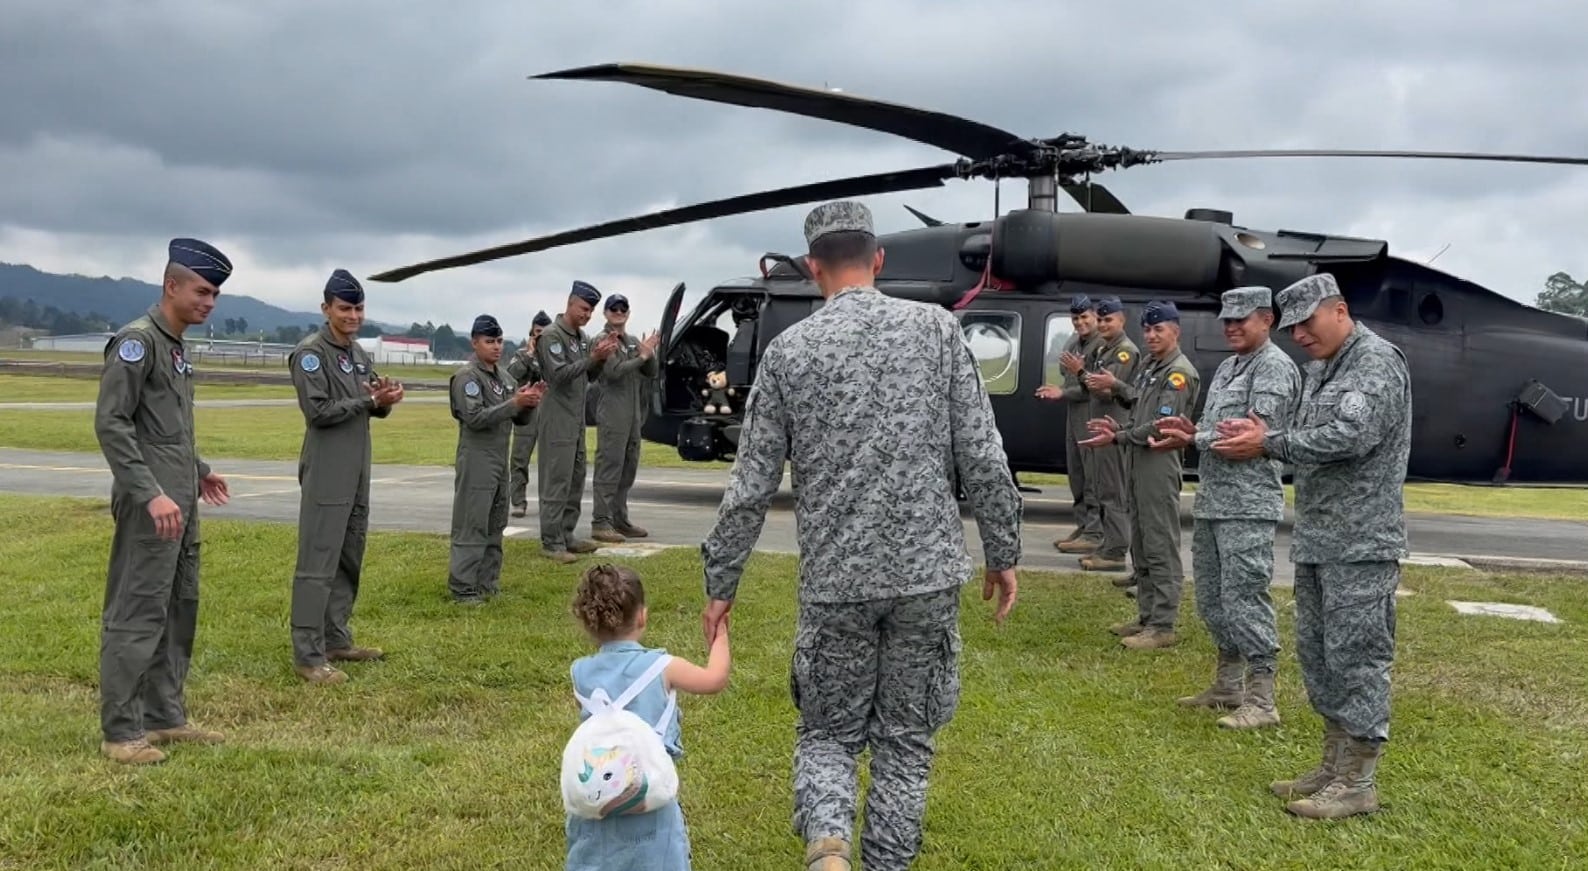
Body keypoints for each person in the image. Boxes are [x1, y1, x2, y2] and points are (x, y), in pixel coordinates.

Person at [699, 200, 1022, 871]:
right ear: (877, 260)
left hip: (837, 584)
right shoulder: (936, 331)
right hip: (925, 577)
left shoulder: (790, 352)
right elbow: (985, 456)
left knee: (828, 733)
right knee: (905, 742)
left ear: (815, 267)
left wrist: (720, 583)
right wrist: (1003, 550)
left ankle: (828, 848)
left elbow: (749, 485)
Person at [1208, 272, 1412, 820]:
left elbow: (1349, 437)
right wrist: (1263, 436)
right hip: (1320, 538)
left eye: (1307, 322)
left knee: (1358, 659)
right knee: (1321, 657)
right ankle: (1333, 764)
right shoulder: (1324, 370)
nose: (1299, 335)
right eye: (1293, 326)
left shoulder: (1375, 362)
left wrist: (1268, 441)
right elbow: (1302, 443)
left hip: (1361, 542)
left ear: (1339, 310)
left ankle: (1358, 781)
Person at [92, 237, 234, 765]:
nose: (210, 302)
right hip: (151, 504)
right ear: (171, 285)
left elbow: (167, 429)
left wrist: (198, 472)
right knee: (138, 610)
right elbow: (112, 424)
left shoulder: (175, 346)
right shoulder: (137, 343)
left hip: (181, 501)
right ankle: (121, 731)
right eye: (202, 291)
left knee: (178, 608)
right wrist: (150, 493)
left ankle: (164, 715)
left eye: (215, 294)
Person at [1154, 286, 1301, 728]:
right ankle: (1228, 684)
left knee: (1245, 596)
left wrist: (1194, 439)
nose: (1232, 327)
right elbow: (1221, 429)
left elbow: (1250, 439)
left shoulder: (1274, 368)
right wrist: (1193, 427)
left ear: (1267, 320)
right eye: (1227, 320)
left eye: (1242, 319)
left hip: (1248, 505)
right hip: (1216, 501)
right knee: (1215, 599)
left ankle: (1262, 698)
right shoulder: (1229, 367)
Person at [564, 563, 730, 871]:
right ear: (642, 615)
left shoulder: (580, 672)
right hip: (649, 798)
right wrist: (720, 635)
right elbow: (714, 679)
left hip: (597, 799)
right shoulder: (663, 667)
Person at [286, 268, 404, 685]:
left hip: (357, 465)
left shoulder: (356, 353)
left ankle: (336, 637)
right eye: (344, 307)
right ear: (326, 308)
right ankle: (307, 652)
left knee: (349, 554)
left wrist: (384, 400)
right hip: (327, 466)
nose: (353, 315)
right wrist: (369, 399)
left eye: (358, 307)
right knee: (318, 561)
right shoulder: (310, 353)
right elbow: (317, 412)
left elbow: (370, 403)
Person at [1080, 301, 1201, 649]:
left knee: (1160, 541)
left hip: (1158, 462)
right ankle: (1147, 617)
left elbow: (1162, 427)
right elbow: (1139, 407)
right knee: (1143, 542)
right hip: (1137, 457)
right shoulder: (1151, 365)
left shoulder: (1179, 373)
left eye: (1158, 329)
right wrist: (1121, 423)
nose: (1150, 335)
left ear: (1175, 331)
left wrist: (1118, 435)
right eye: (1147, 329)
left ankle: (1163, 624)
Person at [447, 314, 544, 603]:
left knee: (495, 523)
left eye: (500, 341)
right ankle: (463, 586)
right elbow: (475, 418)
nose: (496, 347)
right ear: (474, 342)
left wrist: (528, 403)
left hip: (499, 460)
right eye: (490, 341)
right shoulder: (468, 378)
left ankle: (487, 583)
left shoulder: (505, 378)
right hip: (476, 458)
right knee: (471, 523)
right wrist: (514, 403)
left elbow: (521, 421)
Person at [537, 282, 621, 563]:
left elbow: (589, 377)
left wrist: (599, 360)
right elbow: (558, 375)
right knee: (556, 480)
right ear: (570, 303)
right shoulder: (551, 336)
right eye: (584, 308)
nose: (587, 315)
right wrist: (591, 358)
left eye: (591, 311)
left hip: (575, 418)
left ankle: (566, 534)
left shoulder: (582, 338)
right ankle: (551, 541)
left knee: (575, 479)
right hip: (557, 417)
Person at [1074, 296, 1139, 572]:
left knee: (1113, 490)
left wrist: (1080, 373)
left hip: (1114, 428)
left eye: (1107, 319)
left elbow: (1104, 389)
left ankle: (1115, 551)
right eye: (1099, 319)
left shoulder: (1124, 351)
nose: (1102, 324)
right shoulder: (1105, 350)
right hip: (1100, 427)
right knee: (1101, 487)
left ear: (1121, 320)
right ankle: (1107, 543)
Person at [1035, 294, 1102, 553]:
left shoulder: (1101, 346)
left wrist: (1063, 392)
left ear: (1095, 316)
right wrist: (1060, 389)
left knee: (1093, 477)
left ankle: (1096, 532)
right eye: (1076, 318)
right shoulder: (1074, 342)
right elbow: (1070, 380)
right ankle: (1084, 525)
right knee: (1077, 474)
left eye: (1085, 317)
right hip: (1074, 415)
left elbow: (1096, 387)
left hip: (1093, 415)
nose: (1080, 322)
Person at [591, 294, 661, 543]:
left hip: (632, 415)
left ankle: (619, 519)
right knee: (609, 468)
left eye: (623, 308)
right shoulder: (603, 340)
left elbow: (651, 373)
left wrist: (649, 353)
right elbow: (613, 372)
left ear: (628, 313)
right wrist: (640, 357)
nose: (618, 312)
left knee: (628, 469)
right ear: (606, 313)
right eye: (614, 308)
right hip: (613, 414)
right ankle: (600, 522)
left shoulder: (631, 342)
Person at [509, 309, 552, 518]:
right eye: (536, 332)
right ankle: (518, 501)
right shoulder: (521, 355)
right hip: (526, 413)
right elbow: (511, 375)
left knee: (551, 462)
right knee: (519, 459)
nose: (539, 336)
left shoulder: (554, 355)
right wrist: (529, 355)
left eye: (544, 333)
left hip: (549, 413)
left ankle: (549, 503)